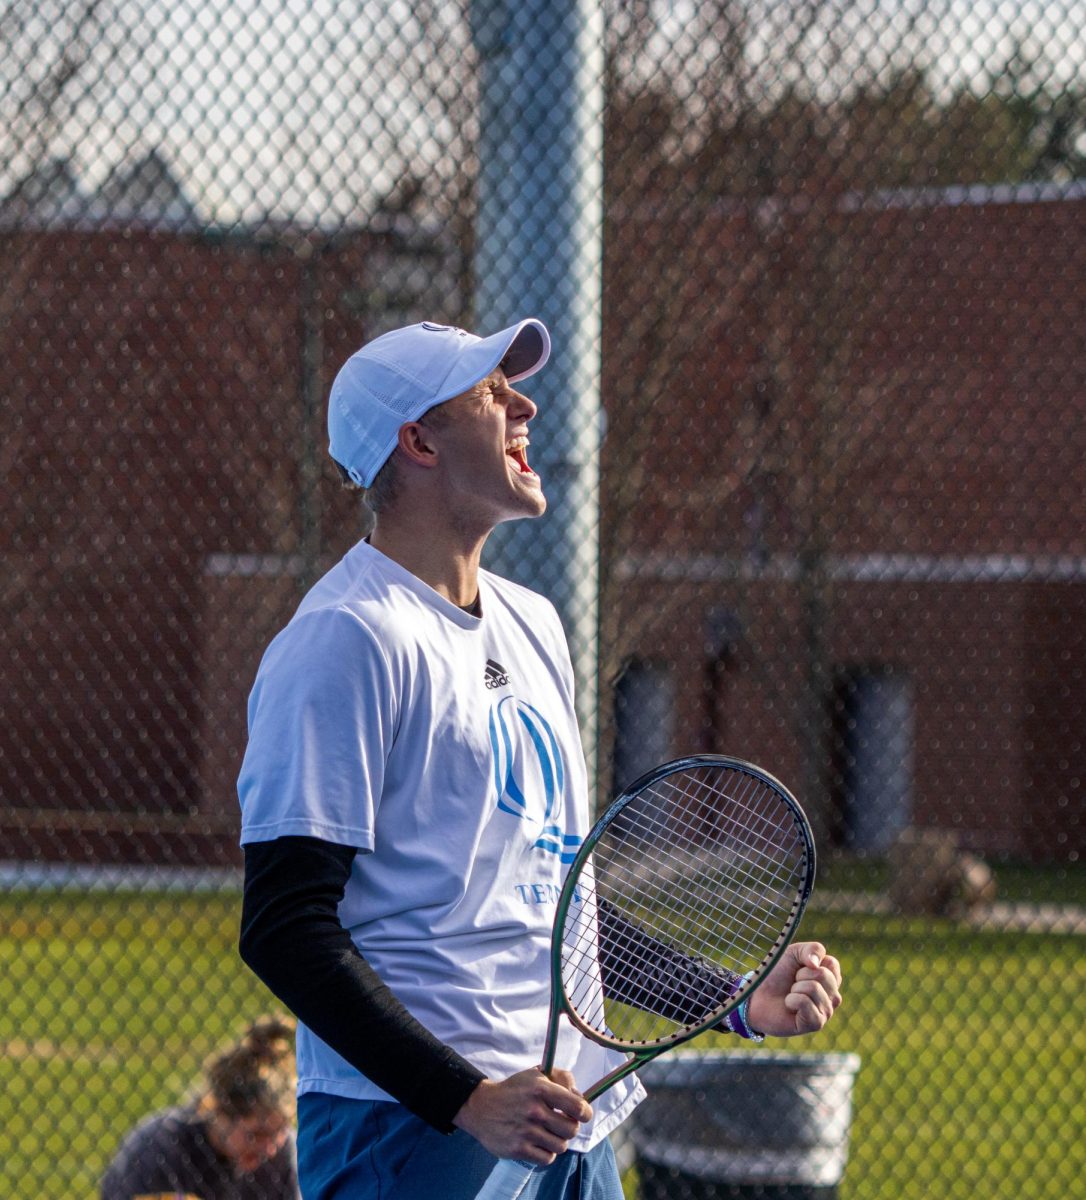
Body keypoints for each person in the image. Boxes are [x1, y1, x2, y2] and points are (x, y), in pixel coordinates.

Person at [236, 319, 843, 1200]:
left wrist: (735, 999)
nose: (525, 405)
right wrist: (468, 1100)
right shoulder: (345, 639)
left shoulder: (534, 624)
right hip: (405, 1134)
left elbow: (563, 909)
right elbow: (285, 928)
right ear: (417, 442)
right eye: (490, 392)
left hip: (564, 1122)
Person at [100, 1016, 299, 1200]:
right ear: (218, 1111)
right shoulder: (160, 1149)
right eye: (257, 1134)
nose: (270, 1148)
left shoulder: (284, 1153)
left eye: (279, 1132)